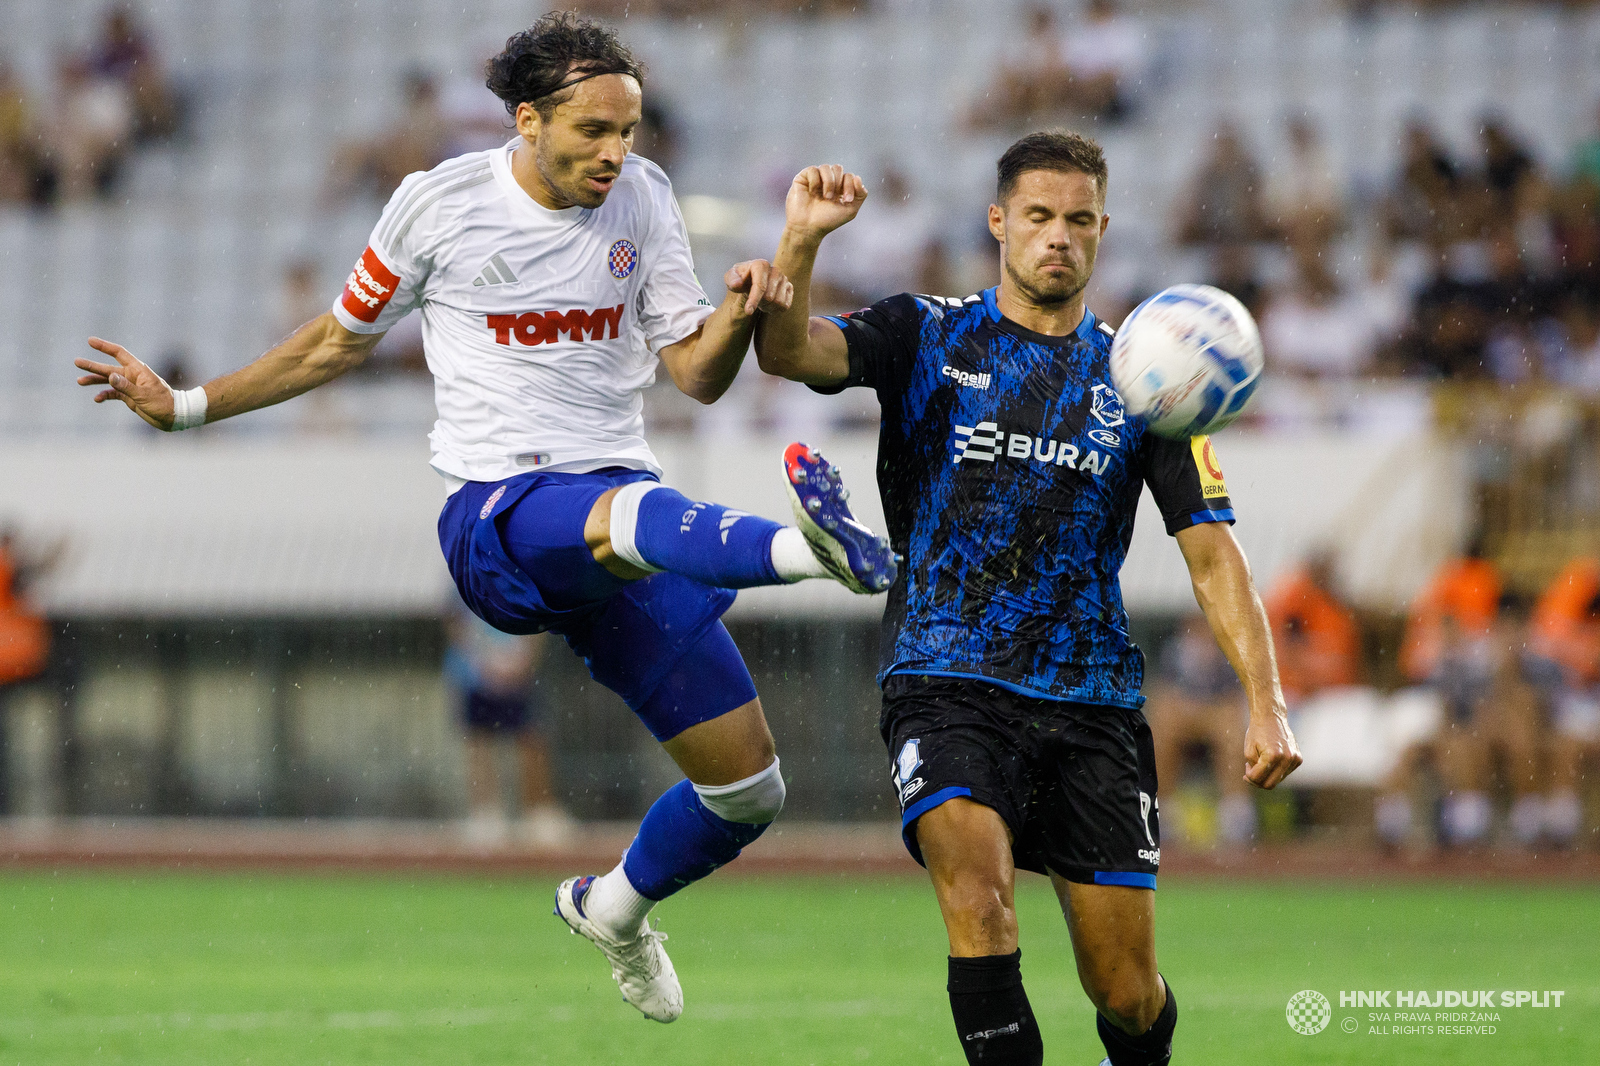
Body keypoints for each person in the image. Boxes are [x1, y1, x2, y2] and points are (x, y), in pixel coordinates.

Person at [74, 12, 896, 1026]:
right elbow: (334, 345)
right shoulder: (437, 204)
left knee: (750, 793)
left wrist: (744, 301)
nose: (615, 151)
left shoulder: (643, 199)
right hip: (498, 515)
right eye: (594, 130)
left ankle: (613, 909)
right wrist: (189, 405)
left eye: (628, 130)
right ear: (525, 117)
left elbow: (696, 374)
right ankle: (806, 550)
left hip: (621, 524)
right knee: (629, 511)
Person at [755, 132, 1302, 1066]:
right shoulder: (926, 332)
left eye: (1079, 220)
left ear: (1102, 231)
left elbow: (1214, 557)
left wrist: (1267, 703)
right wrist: (801, 242)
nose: (1059, 238)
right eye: (1040, 218)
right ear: (999, 223)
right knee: (980, 903)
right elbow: (787, 352)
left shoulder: (1143, 380)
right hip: (943, 676)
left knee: (1127, 996)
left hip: (1091, 699)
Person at [446, 605, 572, 845]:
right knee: (479, 741)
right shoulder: (461, 572)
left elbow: (539, 621)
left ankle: (538, 812)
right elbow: (455, 621)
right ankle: (486, 814)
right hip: (474, 673)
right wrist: (483, 661)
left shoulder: (524, 572)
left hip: (521, 671)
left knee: (531, 739)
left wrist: (521, 660)